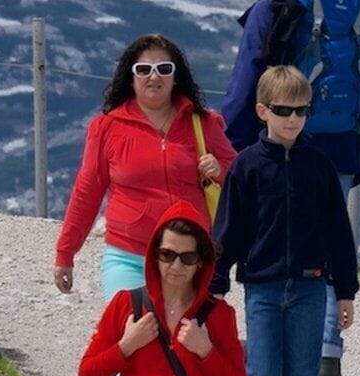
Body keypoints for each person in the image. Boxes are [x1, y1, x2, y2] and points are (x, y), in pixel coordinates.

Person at [224, 0, 360, 376]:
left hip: (281, 142)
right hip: (340, 146)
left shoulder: (276, 4)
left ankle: (276, 357)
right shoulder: (352, 7)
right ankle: (327, 359)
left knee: (273, 243)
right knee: (330, 239)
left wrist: (236, 144)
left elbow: (247, 78)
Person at [215, 65, 360, 376]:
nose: (293, 119)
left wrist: (346, 291)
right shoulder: (245, 167)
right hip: (261, 288)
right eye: (283, 110)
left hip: (310, 290)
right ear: (263, 111)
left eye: (301, 111)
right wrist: (215, 285)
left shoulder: (319, 167)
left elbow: (339, 234)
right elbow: (228, 231)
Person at [57, 34, 234, 304]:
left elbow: (240, 173)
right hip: (128, 257)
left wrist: (219, 169)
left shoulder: (204, 123)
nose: (154, 77)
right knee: (133, 325)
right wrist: (65, 253)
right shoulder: (106, 128)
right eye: (143, 69)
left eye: (164, 69)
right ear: (131, 77)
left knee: (182, 330)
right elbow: (87, 192)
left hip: (189, 257)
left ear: (176, 77)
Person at [77, 206, 247, 376]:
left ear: (201, 261)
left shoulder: (219, 315)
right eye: (167, 255)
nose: (176, 266)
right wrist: (126, 346)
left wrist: (206, 351)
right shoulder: (126, 304)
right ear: (154, 256)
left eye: (188, 257)